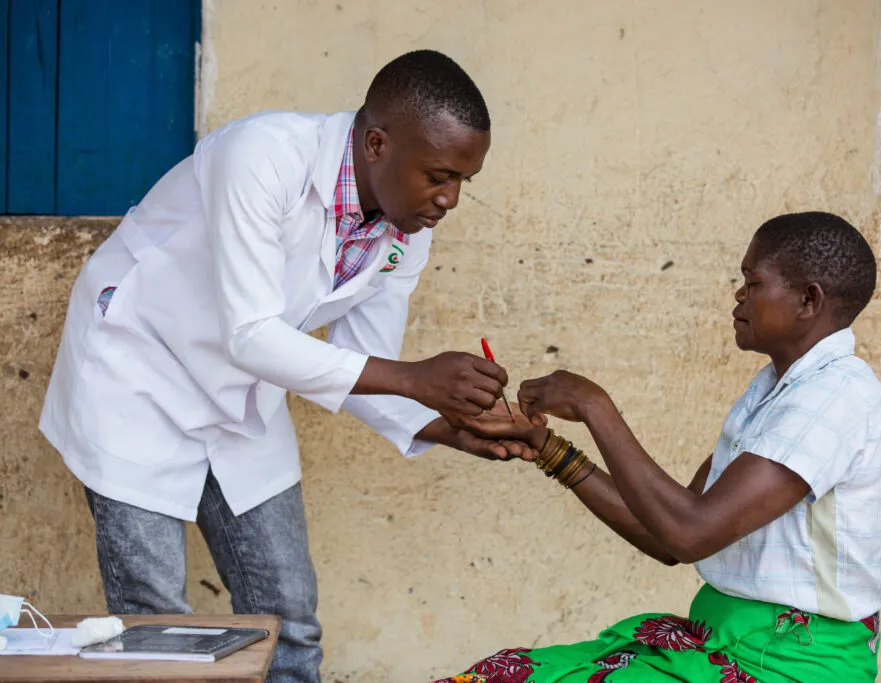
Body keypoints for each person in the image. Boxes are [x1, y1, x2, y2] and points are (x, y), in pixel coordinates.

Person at [40, 50, 528, 683]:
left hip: (246, 388)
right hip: (136, 372)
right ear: (377, 144)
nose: (450, 199)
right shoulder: (262, 156)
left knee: (289, 619)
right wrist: (419, 379)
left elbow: (366, 366)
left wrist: (453, 427)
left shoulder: (406, 226)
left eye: (464, 181)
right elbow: (252, 335)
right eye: (439, 175)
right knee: (157, 626)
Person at [437, 212, 881, 682]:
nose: (739, 296)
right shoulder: (776, 391)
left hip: (788, 665)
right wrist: (545, 446)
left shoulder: (835, 397)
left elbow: (689, 533)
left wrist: (595, 406)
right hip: (728, 643)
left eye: (753, 283)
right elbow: (665, 533)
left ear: (807, 300)